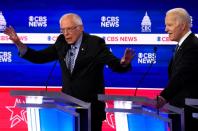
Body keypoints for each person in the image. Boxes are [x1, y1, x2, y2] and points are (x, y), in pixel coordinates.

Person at [4, 13, 135, 131]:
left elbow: (113, 63)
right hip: (67, 110)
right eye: (62, 30)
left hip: (90, 111)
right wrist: (18, 43)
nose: (65, 33)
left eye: (69, 29)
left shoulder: (94, 43)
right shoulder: (61, 42)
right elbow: (39, 57)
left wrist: (123, 63)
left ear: (80, 28)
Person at [156, 8, 198, 131]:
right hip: (178, 111)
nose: (165, 29)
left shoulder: (193, 46)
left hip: (189, 113)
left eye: (169, 25)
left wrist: (163, 97)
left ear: (183, 25)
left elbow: (182, 75)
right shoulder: (182, 45)